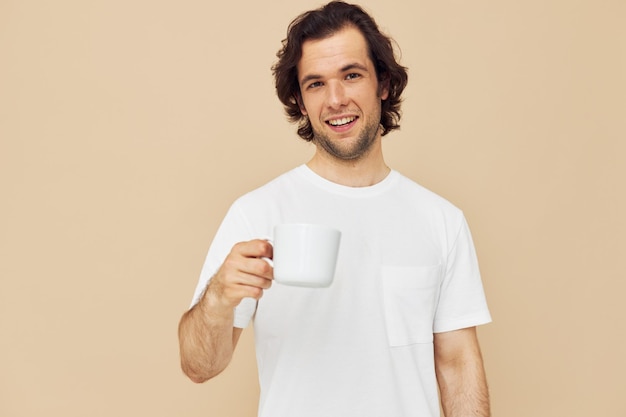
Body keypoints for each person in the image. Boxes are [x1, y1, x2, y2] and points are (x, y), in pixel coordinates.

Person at [178, 1, 492, 416]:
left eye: (351, 75)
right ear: (300, 99)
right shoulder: (256, 213)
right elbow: (199, 367)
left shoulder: (441, 220)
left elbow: (457, 365)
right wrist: (217, 297)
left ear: (382, 83)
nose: (336, 99)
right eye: (315, 84)